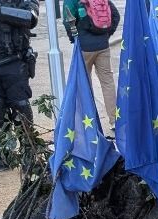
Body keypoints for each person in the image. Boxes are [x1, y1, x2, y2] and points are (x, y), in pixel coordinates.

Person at [0, 0, 39, 171]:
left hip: (15, 62)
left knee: (21, 107)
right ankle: (4, 155)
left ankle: (29, 154)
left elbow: (31, 18)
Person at [63, 0, 120, 131]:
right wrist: (106, 34)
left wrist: (74, 40)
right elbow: (115, 15)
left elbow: (67, 21)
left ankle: (90, 121)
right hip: (103, 46)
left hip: (84, 47)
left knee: (85, 83)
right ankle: (114, 120)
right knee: (107, 83)